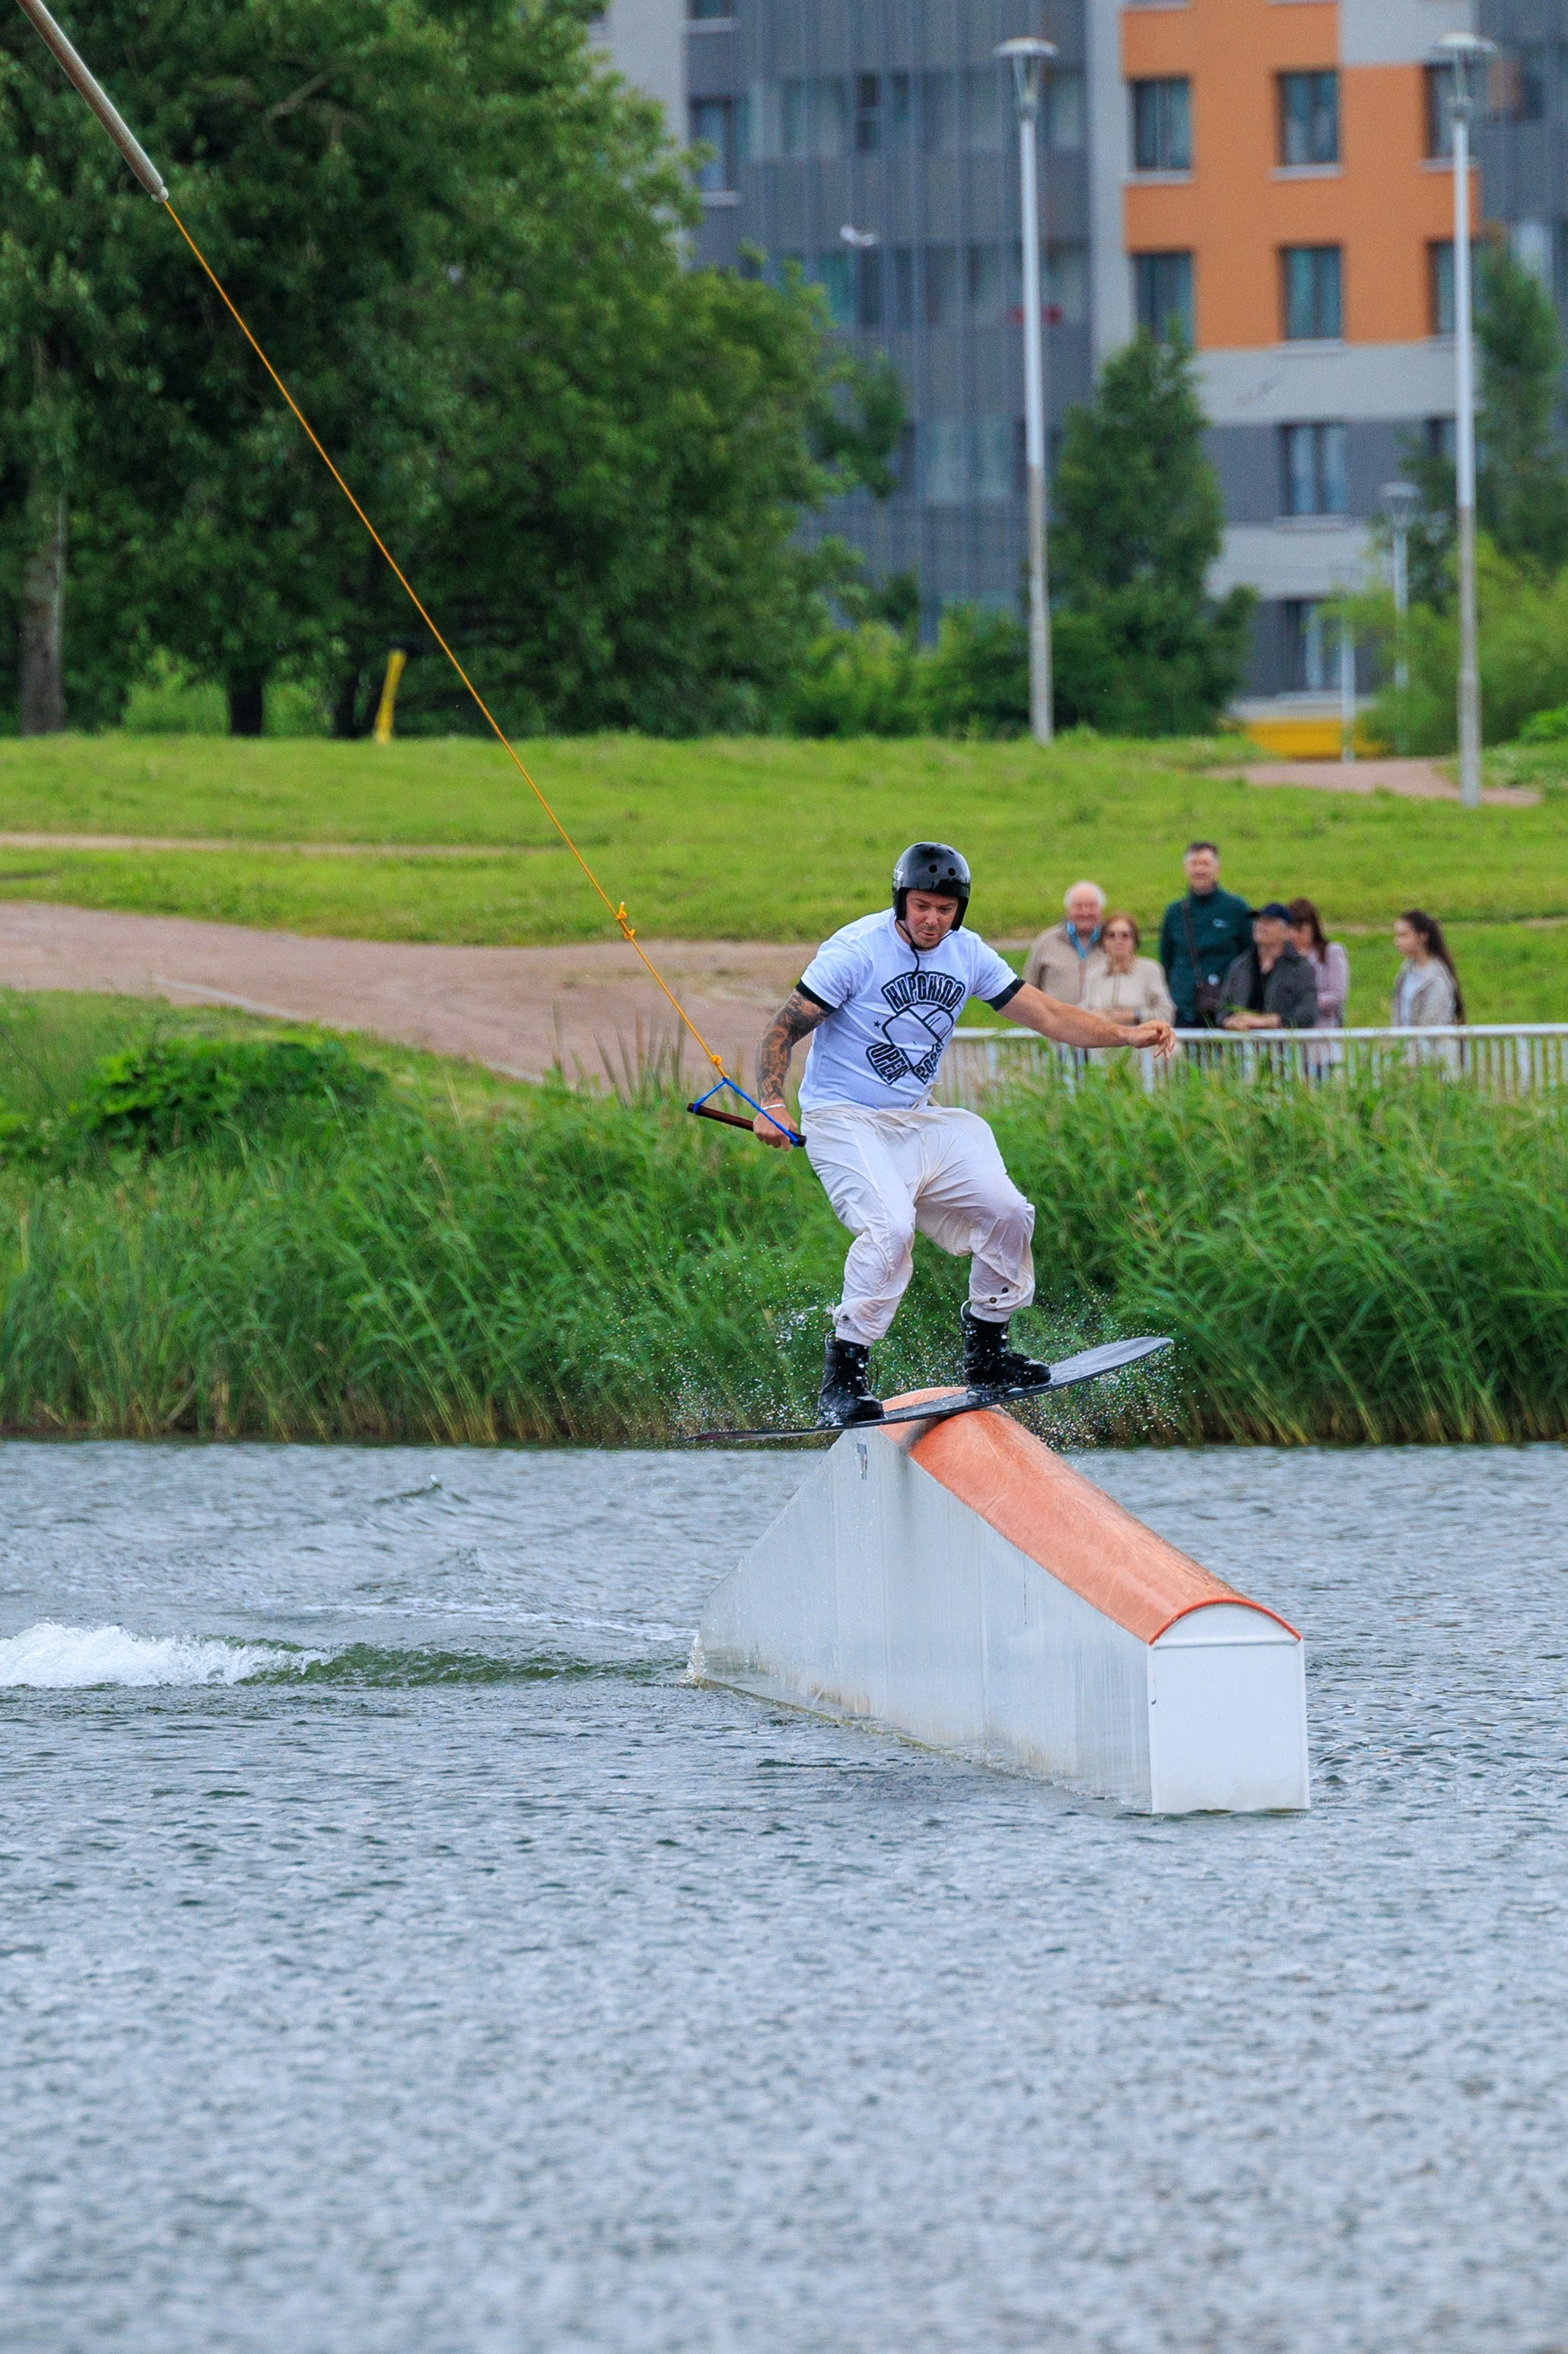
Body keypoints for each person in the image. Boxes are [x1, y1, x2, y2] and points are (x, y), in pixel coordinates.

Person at [753, 843, 1175, 1427]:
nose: (932, 920)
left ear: (960, 910)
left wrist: (1124, 1037)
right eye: (921, 906)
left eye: (944, 909)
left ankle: (986, 1352)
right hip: (843, 1120)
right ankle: (842, 1379)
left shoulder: (967, 954)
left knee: (1008, 1211)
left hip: (918, 1122)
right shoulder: (855, 951)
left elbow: (1049, 1015)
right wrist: (771, 1102)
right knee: (889, 1229)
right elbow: (781, 1029)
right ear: (901, 902)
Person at [1159, 842, 1254, 1029]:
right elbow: (1167, 960)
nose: (1200, 870)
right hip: (1184, 1009)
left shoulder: (1237, 908)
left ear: (1217, 869)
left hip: (1228, 1010)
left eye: (1205, 864)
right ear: (1186, 869)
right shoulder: (1174, 913)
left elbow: (1249, 955)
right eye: (1195, 864)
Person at [1220, 902, 1318, 1032]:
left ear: (1286, 932)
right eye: (1258, 921)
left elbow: (1308, 1013)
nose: (1260, 925)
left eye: (1269, 922)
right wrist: (1229, 1021)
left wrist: (1266, 1021)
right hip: (1241, 1041)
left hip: (1284, 1042)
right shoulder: (1239, 965)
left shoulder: (1300, 968)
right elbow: (1223, 1008)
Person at [1082, 912, 1175, 1036]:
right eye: (1111, 935)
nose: (1118, 941)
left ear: (1134, 940)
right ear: (1103, 940)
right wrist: (1095, 1016)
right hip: (1102, 1043)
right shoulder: (1093, 974)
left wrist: (1135, 1016)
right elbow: (1082, 1011)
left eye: (1125, 935)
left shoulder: (1150, 970)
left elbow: (1167, 1013)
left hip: (1143, 1043)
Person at [1023, 880, 1108, 1004]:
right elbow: (1030, 988)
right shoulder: (1046, 942)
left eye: (1092, 906)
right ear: (1068, 910)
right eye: (1078, 906)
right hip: (1054, 1017)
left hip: (1101, 1016)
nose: (1085, 912)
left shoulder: (1113, 941)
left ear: (1101, 909)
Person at [1391, 910, 1465, 1026]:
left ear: (1422, 937)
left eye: (1403, 935)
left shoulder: (1437, 978)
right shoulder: (1406, 970)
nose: (1397, 941)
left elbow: (1432, 1024)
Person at [1287, 898, 1350, 1028]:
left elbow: (1338, 995)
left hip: (1324, 1029)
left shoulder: (1331, 952)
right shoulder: (1285, 957)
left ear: (1313, 928)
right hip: (1292, 1029)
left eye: (1300, 930)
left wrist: (1306, 1004)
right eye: (1290, 929)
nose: (1294, 935)